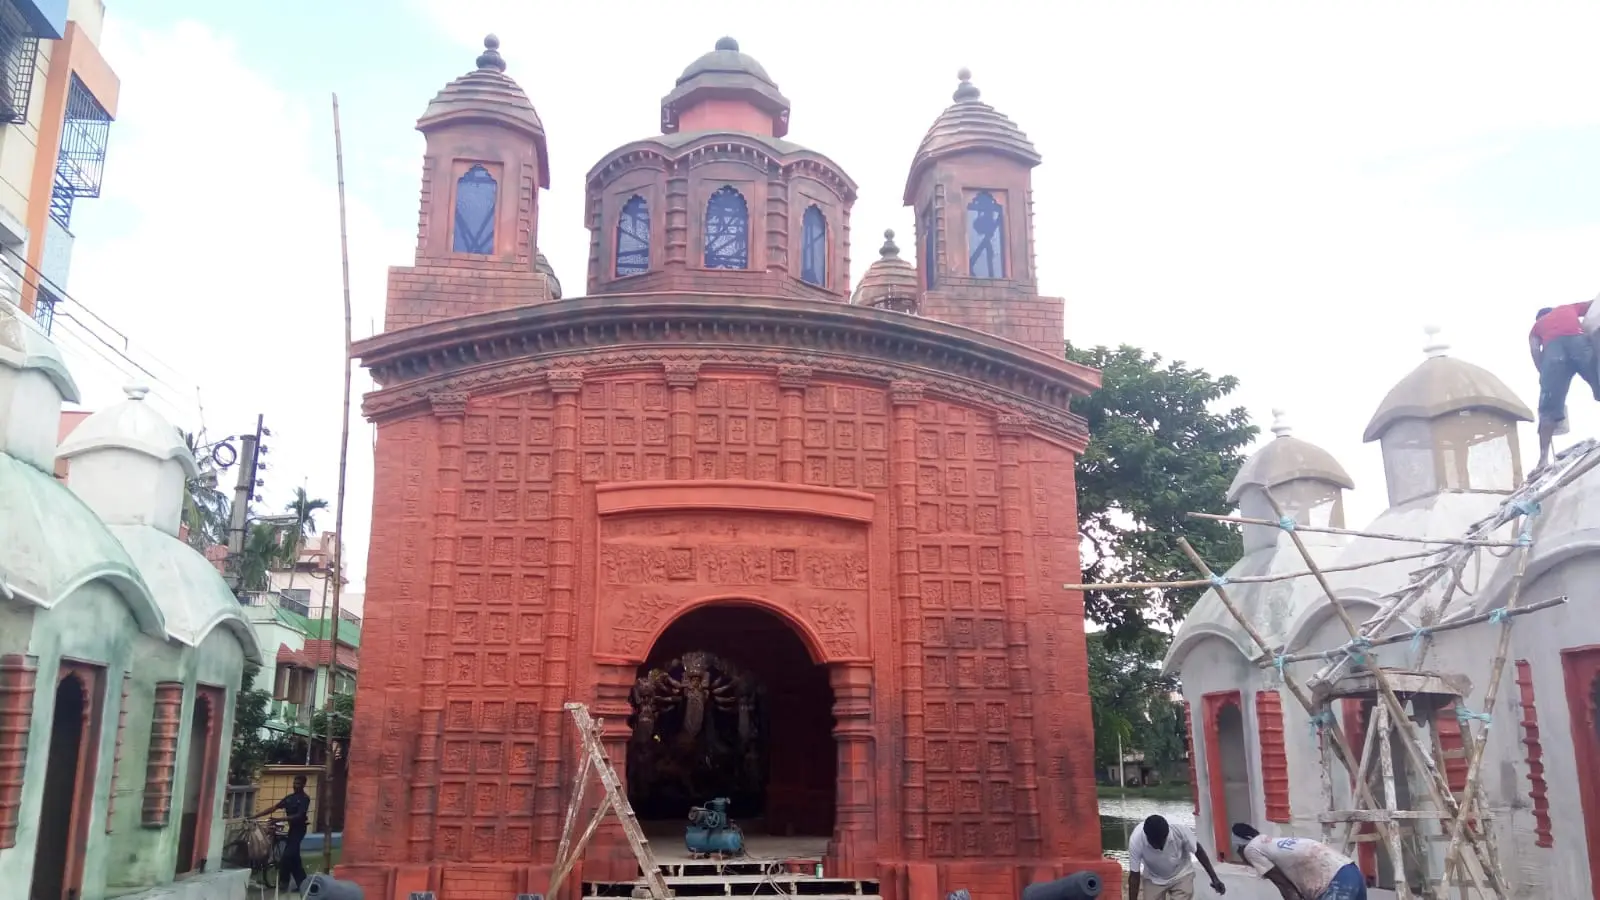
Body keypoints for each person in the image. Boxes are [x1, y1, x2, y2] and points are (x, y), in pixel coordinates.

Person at [1529, 301, 1600, 469]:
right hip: (1579, 343)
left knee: (1548, 410)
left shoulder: (1536, 327)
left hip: (1553, 355)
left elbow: (1534, 350)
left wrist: (1544, 375)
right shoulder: (1568, 308)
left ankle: (1543, 460)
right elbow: (1595, 303)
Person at [1232, 823, 1365, 900]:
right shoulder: (1269, 843)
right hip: (1349, 869)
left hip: (1334, 880)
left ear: (1240, 848)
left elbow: (1284, 886)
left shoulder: (1250, 850)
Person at [1126, 814, 1227, 900]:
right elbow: (1134, 876)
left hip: (1181, 873)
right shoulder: (1136, 840)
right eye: (1155, 843)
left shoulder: (1179, 829)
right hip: (1154, 878)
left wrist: (1214, 878)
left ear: (1167, 834)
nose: (1160, 847)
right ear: (1147, 836)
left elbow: (1198, 851)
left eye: (1162, 842)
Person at [253, 774, 311, 891]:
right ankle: (303, 884)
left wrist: (279, 819)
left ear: (304, 785)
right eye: (294, 783)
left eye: (298, 784)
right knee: (294, 858)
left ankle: (284, 883)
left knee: (287, 856)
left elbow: (299, 816)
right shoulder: (289, 798)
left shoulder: (305, 799)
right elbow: (273, 808)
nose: (295, 785)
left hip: (299, 830)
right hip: (292, 830)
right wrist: (255, 816)